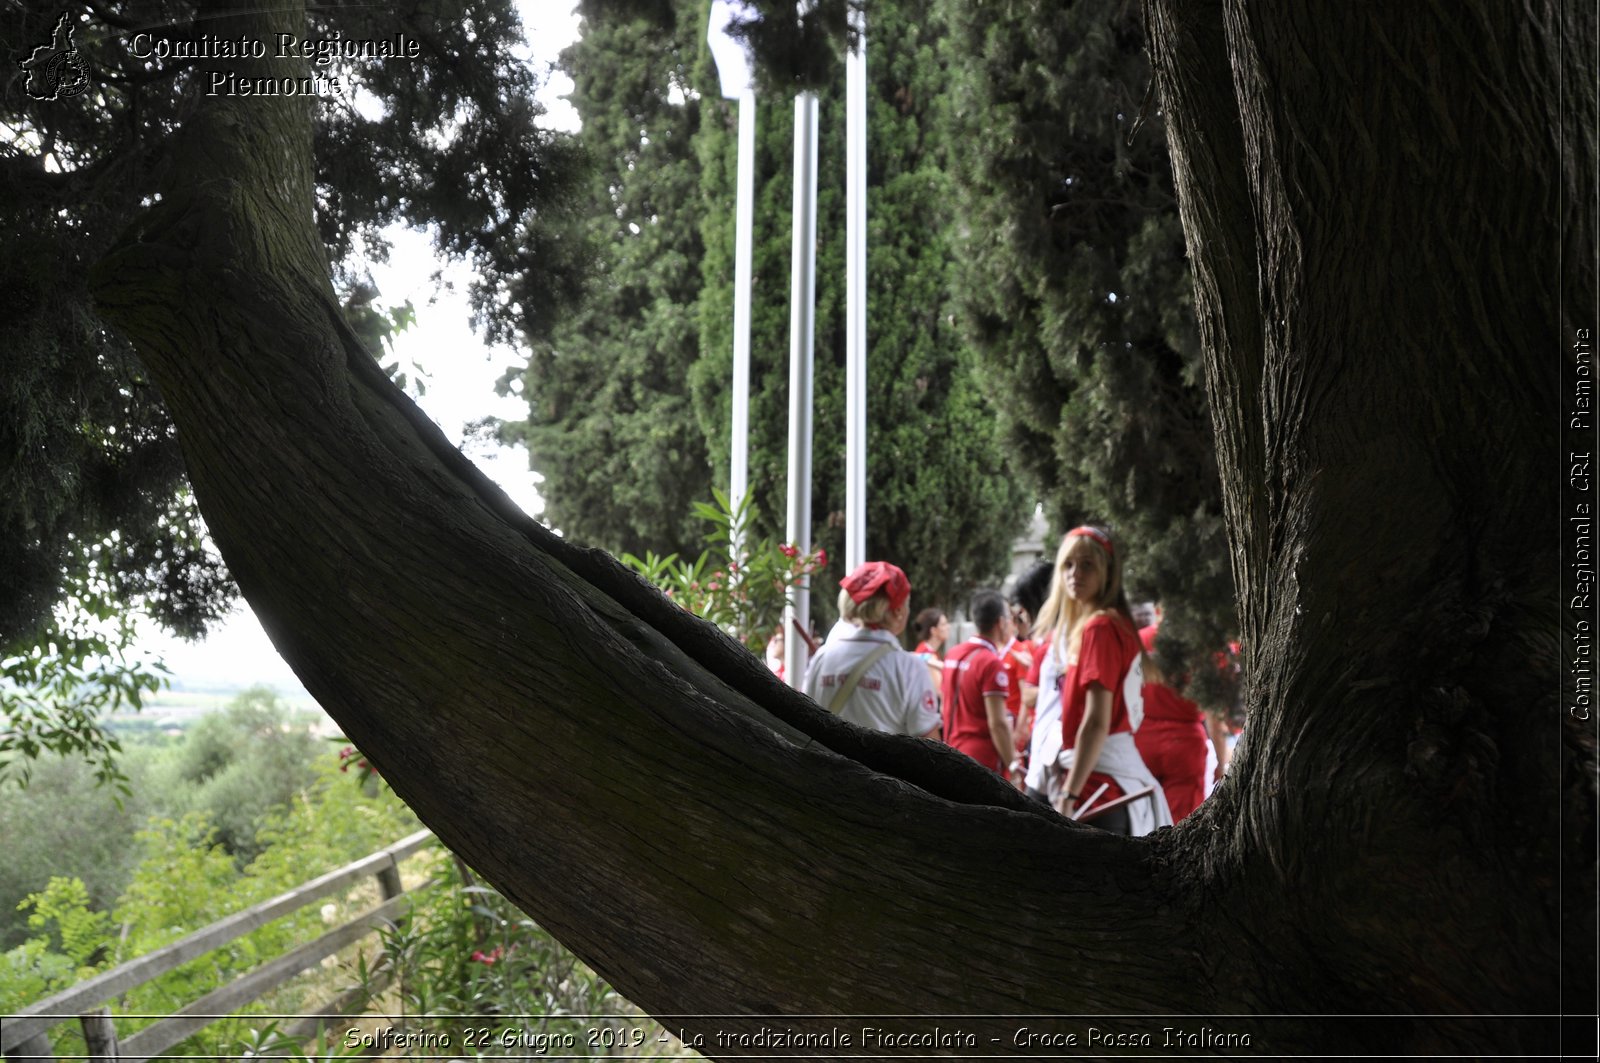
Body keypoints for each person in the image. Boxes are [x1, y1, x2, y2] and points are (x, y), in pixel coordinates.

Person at [1032, 525, 1172, 835]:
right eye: (1068, 564)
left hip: (1095, 790)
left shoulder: (1098, 628)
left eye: (1087, 565)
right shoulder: (1116, 624)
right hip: (1111, 785)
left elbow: (1096, 721)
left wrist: (1069, 793)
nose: (1074, 574)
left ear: (1107, 573)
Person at [802, 562, 940, 738]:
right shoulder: (909, 668)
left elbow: (805, 721)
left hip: (823, 765)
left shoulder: (821, 659)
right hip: (880, 766)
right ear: (898, 611)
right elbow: (931, 749)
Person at [1132, 620, 1211, 822]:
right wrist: (1221, 757)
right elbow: (1213, 709)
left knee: (1141, 818)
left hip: (1142, 738)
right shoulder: (1201, 643)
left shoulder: (1138, 639)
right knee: (1182, 823)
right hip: (1184, 743)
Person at [940, 589, 1019, 785]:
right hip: (982, 762)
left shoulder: (953, 653)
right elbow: (998, 723)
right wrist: (1013, 766)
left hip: (952, 751)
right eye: (1009, 618)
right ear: (1000, 622)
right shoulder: (991, 663)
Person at [910, 607, 950, 695]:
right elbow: (940, 691)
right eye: (943, 624)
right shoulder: (928, 655)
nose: (948, 627)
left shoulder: (926, 650)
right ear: (934, 631)